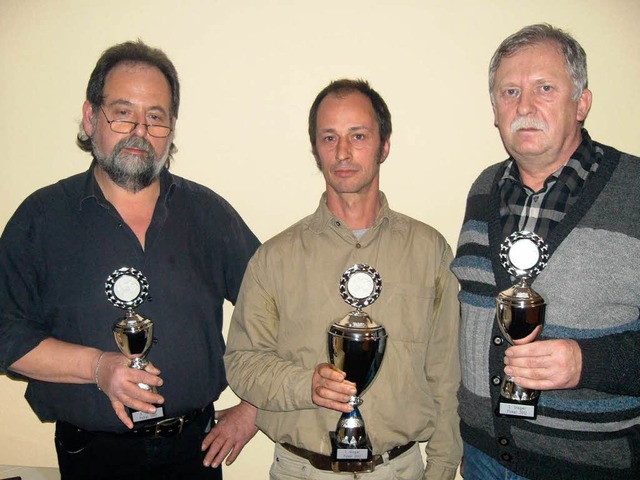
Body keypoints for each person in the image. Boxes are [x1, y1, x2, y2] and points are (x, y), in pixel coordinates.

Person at [0, 40, 260, 480]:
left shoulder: (209, 215)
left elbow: (280, 309)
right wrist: (97, 367)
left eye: (155, 117)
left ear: (171, 130)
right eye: (122, 112)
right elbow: (5, 333)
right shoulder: (41, 218)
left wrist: (255, 410)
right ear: (90, 117)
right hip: (91, 454)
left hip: (194, 452)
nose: (139, 130)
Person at [224, 79, 462, 480]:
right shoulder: (274, 258)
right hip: (302, 469)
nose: (344, 152)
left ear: (384, 145)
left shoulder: (429, 251)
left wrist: (440, 467)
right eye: (329, 137)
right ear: (316, 150)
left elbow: (446, 370)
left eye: (359, 136)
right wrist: (306, 385)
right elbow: (242, 363)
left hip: (400, 469)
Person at [451, 23, 640, 480]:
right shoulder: (483, 190)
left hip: (588, 467)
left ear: (582, 103)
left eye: (545, 88)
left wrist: (586, 362)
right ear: (494, 110)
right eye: (510, 91)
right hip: (483, 458)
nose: (525, 106)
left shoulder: (634, 192)